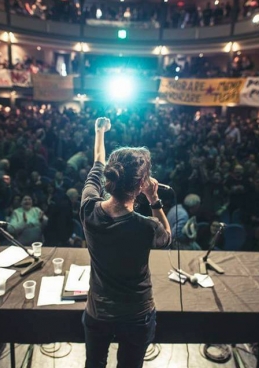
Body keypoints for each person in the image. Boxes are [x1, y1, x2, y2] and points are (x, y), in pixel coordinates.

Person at [80, 117, 171, 368]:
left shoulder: (89, 208)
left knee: (94, 364)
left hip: (98, 311)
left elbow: (97, 162)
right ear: (142, 184)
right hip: (136, 314)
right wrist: (154, 200)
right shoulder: (147, 226)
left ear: (112, 175)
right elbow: (167, 237)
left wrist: (99, 132)